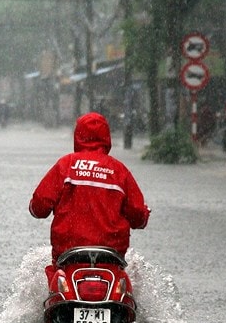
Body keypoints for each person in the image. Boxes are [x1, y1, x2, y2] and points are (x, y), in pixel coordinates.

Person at [29, 111, 150, 282]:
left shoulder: (66, 165)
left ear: (78, 135)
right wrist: (144, 215)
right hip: (111, 257)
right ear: (107, 137)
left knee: (53, 290)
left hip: (68, 255)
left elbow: (39, 207)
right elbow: (138, 215)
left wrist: (34, 207)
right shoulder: (119, 171)